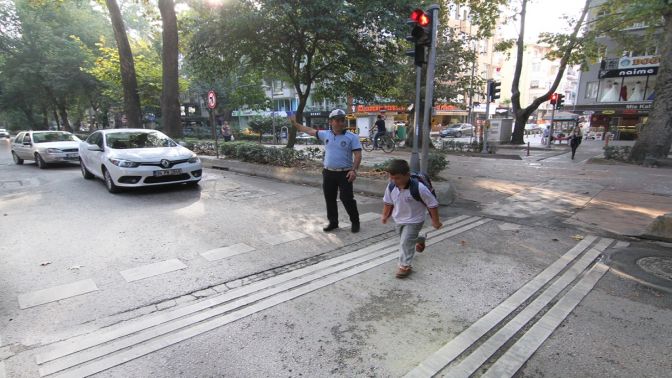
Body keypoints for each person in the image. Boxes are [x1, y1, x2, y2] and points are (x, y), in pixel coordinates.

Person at [289, 109, 362, 233]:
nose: (340, 123)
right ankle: (333, 222)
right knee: (330, 198)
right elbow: (308, 130)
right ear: (331, 121)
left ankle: (355, 222)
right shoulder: (325, 134)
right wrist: (295, 124)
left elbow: (358, 155)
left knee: (347, 198)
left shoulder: (352, 137)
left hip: (345, 173)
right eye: (337, 120)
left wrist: (354, 170)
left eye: (342, 120)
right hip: (328, 172)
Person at [381, 159, 442, 278]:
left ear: (407, 175)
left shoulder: (419, 188)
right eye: (391, 177)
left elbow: (432, 205)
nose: (394, 180)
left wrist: (436, 221)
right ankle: (420, 239)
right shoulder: (391, 186)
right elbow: (388, 202)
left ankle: (404, 266)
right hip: (398, 219)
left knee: (405, 242)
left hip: (415, 220)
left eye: (397, 178)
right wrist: (385, 215)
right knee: (406, 239)